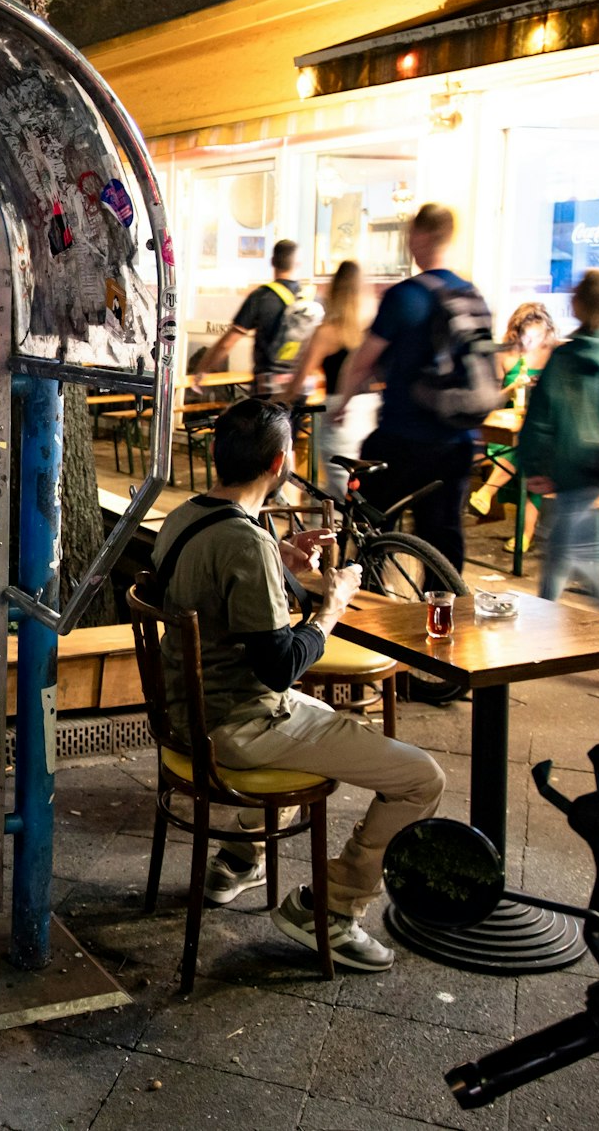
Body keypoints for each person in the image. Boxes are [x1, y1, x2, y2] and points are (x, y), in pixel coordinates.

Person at [151, 399, 446, 972]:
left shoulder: (186, 516)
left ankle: (238, 854)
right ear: (282, 462)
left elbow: (212, 590)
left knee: (336, 726)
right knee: (419, 778)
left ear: (216, 453)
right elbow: (279, 667)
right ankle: (331, 908)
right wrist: (329, 611)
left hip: (185, 713)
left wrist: (280, 560)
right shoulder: (245, 541)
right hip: (238, 725)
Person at [516, 271, 599, 685]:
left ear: (581, 304)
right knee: (564, 556)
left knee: (587, 565)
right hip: (598, 468)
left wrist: (532, 462)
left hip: (568, 467)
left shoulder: (566, 357)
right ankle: (539, 638)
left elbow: (542, 414)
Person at [329, 204, 478, 575]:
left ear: (421, 237)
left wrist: (341, 403)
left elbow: (364, 359)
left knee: (368, 517)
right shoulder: (472, 295)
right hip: (459, 441)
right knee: (443, 538)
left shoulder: (405, 296)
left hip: (405, 437)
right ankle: (445, 613)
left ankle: (364, 598)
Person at [468, 302, 559, 553]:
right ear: (515, 332)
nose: (532, 342)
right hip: (510, 424)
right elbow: (493, 398)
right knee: (523, 451)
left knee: (532, 454)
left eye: (538, 336)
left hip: (546, 428)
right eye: (526, 336)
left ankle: (488, 494)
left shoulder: (553, 354)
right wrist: (514, 386)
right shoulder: (503, 355)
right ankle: (524, 535)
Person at [286, 260, 374, 500]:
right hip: (371, 411)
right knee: (363, 492)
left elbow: (300, 378)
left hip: (339, 413)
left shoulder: (327, 332)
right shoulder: (371, 330)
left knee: (338, 491)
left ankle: (329, 535)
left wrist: (279, 401)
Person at [193, 240, 322, 398]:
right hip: (300, 386)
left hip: (268, 386)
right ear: (299, 264)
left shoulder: (261, 297)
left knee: (265, 422)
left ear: (272, 261)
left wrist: (203, 369)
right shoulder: (311, 298)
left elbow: (227, 343)